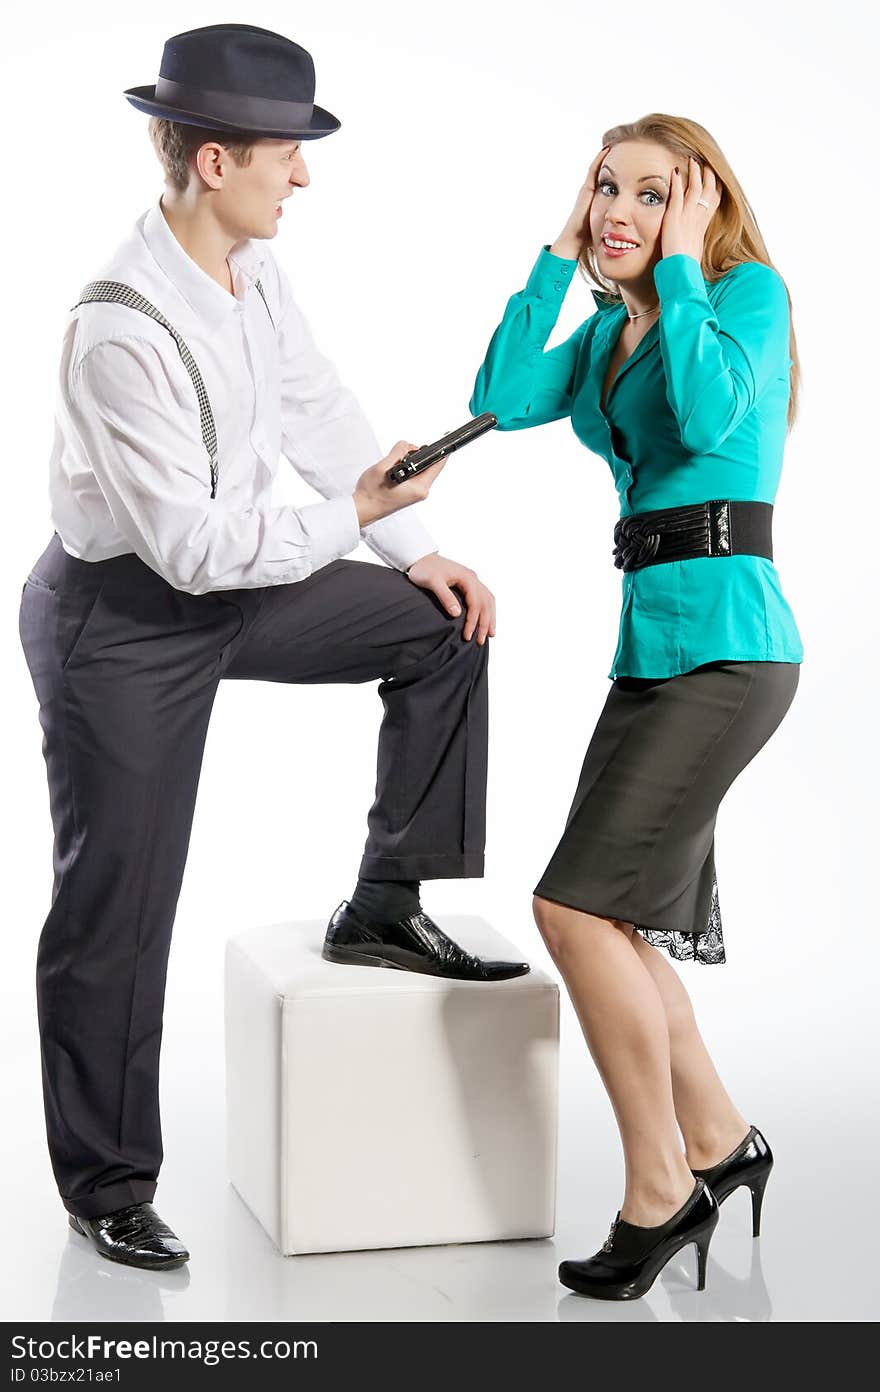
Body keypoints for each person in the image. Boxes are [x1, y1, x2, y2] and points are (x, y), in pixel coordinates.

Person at [18, 22, 528, 1274]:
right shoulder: (118, 328)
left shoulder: (257, 271)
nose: (303, 177)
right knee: (118, 908)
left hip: (244, 567)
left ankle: (385, 902)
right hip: (121, 619)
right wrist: (348, 519)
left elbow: (316, 409)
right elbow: (191, 550)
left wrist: (413, 547)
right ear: (210, 164)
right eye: (285, 155)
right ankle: (106, 1182)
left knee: (441, 626)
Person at [469, 112, 802, 1301]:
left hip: (728, 651)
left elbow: (713, 421)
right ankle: (719, 1142)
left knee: (569, 910)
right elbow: (502, 395)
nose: (618, 209)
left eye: (650, 193)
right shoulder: (612, 333)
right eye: (606, 187)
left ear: (702, 205)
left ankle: (659, 1186)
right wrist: (564, 251)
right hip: (651, 651)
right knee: (606, 918)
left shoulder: (743, 297)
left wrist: (679, 261)